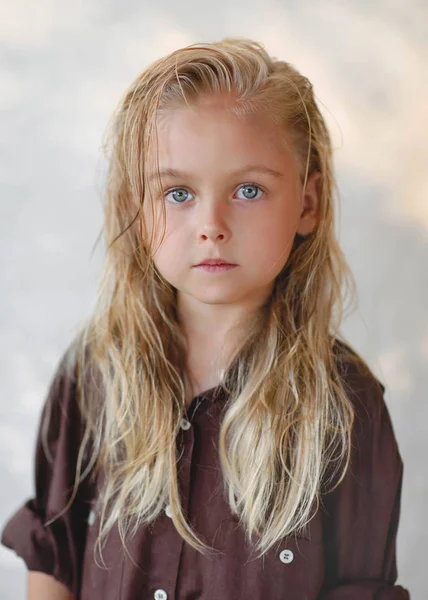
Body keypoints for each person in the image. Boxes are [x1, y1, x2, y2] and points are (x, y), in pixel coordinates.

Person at [1, 37, 410, 600]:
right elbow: (55, 563)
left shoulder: (346, 406)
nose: (211, 224)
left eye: (248, 190)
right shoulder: (96, 373)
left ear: (307, 205)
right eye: (177, 192)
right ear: (136, 209)